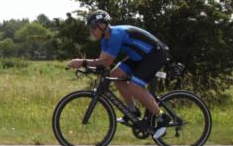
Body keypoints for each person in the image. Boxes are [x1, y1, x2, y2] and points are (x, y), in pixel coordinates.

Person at [65, 10, 172, 138]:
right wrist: (87, 66)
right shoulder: (105, 39)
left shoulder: (116, 35)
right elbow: (102, 63)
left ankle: (161, 117)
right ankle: (132, 111)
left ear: (102, 25)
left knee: (134, 86)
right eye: (90, 28)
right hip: (140, 57)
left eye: (93, 28)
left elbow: (106, 61)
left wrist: (82, 62)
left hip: (155, 54)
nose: (91, 31)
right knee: (116, 74)